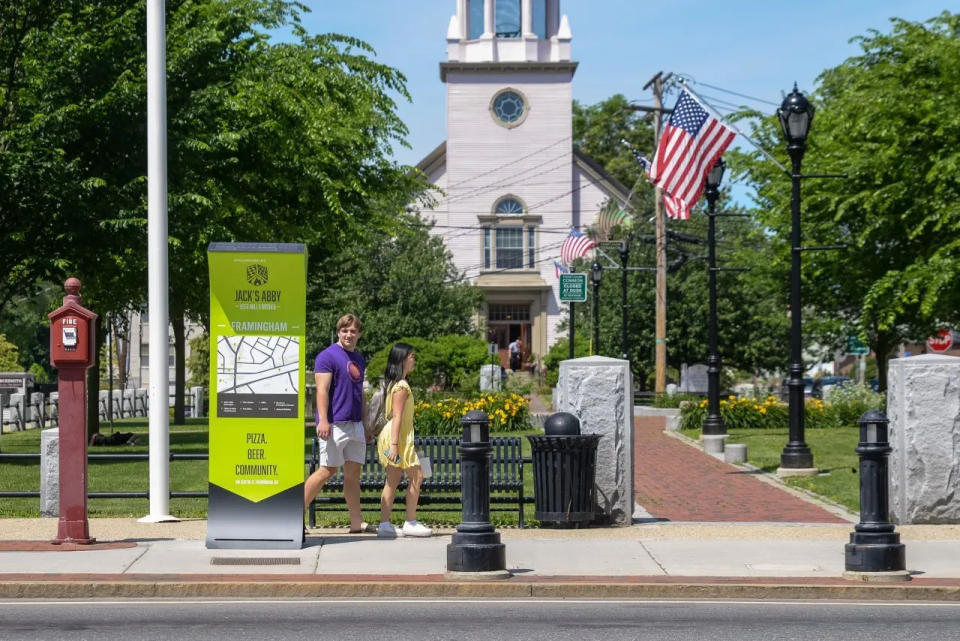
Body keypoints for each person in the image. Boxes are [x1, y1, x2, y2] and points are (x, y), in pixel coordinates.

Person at [303, 314, 372, 534]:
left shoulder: (359, 359)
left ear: (359, 333)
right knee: (327, 470)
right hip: (334, 424)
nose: (349, 334)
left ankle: (356, 522)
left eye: (353, 331)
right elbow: (321, 391)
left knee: (353, 475)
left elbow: (359, 393)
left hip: (355, 424)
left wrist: (365, 424)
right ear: (338, 332)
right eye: (345, 330)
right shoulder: (327, 356)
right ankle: (293, 517)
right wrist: (323, 420)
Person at [375, 342, 432, 537]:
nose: (414, 359)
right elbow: (397, 417)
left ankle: (385, 524)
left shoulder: (397, 384)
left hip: (397, 439)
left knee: (393, 479)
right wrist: (394, 446)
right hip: (396, 440)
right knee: (417, 476)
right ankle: (410, 521)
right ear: (402, 359)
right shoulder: (401, 386)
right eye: (412, 356)